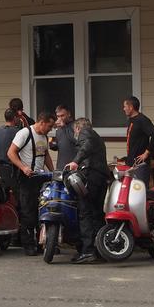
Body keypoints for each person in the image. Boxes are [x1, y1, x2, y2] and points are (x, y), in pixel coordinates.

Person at [8, 109, 55, 254]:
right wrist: (23, 167)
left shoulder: (44, 137)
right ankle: (28, 244)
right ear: (42, 122)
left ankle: (41, 243)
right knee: (28, 211)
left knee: (41, 209)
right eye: (49, 126)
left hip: (40, 178)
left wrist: (53, 172)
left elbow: (45, 154)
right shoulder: (24, 133)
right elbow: (11, 152)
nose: (50, 129)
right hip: (27, 178)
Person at [66, 117, 109, 264]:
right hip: (101, 178)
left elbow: (86, 147)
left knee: (85, 213)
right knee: (97, 214)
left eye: (74, 131)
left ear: (78, 128)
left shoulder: (86, 133)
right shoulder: (97, 137)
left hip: (90, 178)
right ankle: (100, 250)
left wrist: (75, 161)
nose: (75, 135)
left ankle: (87, 251)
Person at [123, 96, 154, 184]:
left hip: (141, 164)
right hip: (131, 162)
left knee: (140, 190)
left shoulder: (142, 120)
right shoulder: (131, 120)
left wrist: (146, 153)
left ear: (131, 107)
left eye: (125, 106)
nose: (123, 109)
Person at [0, 108, 20, 193]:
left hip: (0, 169)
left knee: (4, 195)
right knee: (16, 196)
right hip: (13, 169)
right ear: (14, 118)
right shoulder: (18, 132)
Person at [52, 104, 78, 169]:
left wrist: (64, 127)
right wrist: (52, 145)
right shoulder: (59, 128)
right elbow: (60, 145)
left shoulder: (76, 125)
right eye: (58, 116)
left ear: (68, 114)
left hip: (73, 164)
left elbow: (76, 141)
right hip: (61, 165)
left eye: (62, 116)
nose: (60, 118)